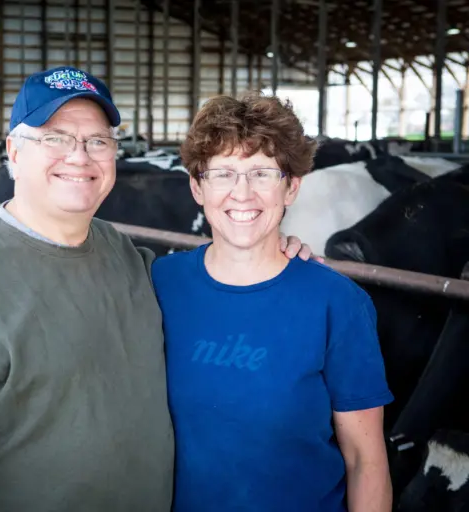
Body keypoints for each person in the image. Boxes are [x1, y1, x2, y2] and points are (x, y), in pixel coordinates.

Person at [0, 66, 315, 511]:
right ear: (14, 153)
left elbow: (211, 296)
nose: (79, 157)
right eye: (56, 138)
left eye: (98, 141)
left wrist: (265, 255)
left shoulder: (125, 256)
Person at [151, 92, 394, 512]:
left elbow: (365, 460)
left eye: (263, 173)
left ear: (291, 187)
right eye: (222, 173)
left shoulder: (337, 303)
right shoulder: (158, 284)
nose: (242, 194)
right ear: (197, 187)